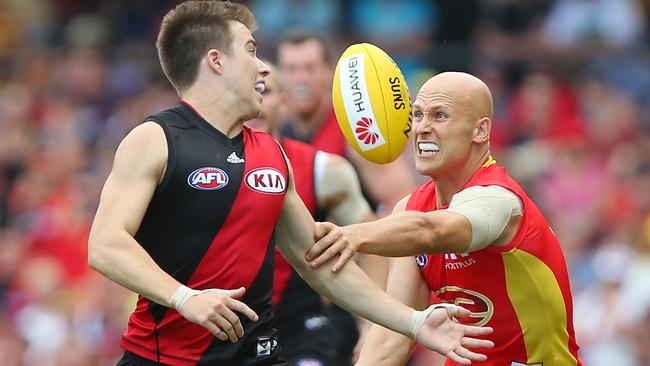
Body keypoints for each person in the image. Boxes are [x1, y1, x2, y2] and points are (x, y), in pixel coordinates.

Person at [87, 2, 494, 366]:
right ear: (215, 61)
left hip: (260, 353)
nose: (264, 67)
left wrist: (413, 322)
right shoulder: (155, 139)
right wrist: (184, 297)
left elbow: (318, 263)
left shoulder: (272, 154)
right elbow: (105, 243)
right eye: (250, 50)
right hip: (166, 357)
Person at [307, 72, 584, 365]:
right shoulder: (410, 209)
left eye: (439, 116)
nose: (422, 128)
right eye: (417, 115)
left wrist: (354, 235)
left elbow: (432, 231)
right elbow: (394, 336)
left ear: (480, 130)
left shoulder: (499, 200)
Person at [245, 64, 384, 366]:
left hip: (302, 327)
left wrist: (371, 324)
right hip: (225, 326)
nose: (256, 101)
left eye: (264, 91)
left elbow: (374, 245)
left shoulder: (324, 170)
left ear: (284, 102)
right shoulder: (201, 168)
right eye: (249, 89)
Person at [276, 29, 415, 213]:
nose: (300, 79)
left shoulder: (357, 129)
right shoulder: (276, 131)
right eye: (291, 69)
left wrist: (355, 235)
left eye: (309, 68)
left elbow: (403, 205)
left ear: (329, 71)